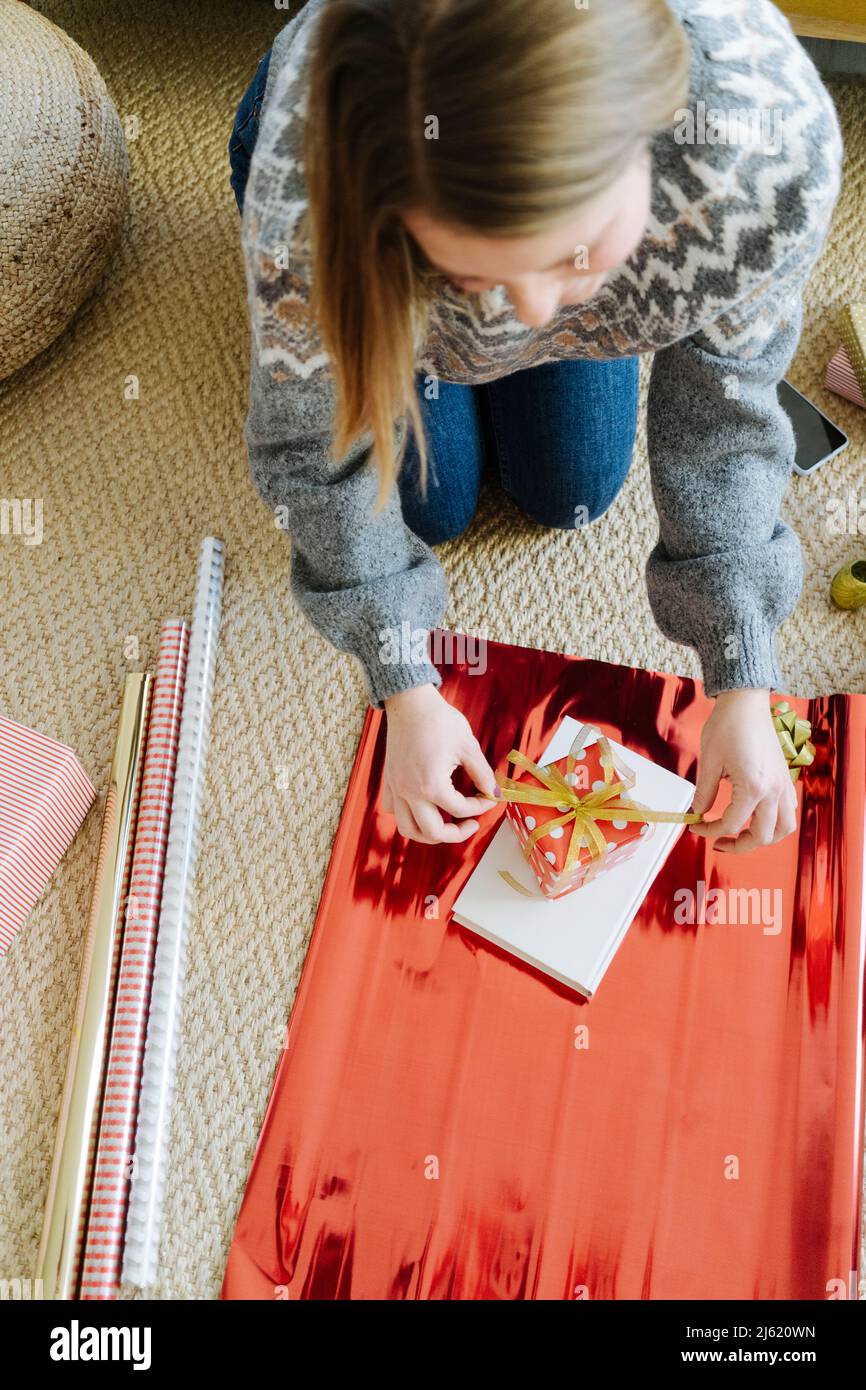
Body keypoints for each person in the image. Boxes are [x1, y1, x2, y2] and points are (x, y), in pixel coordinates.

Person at [229, 0, 841, 853]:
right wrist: (402, 678)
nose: (529, 312)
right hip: (384, 262)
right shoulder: (313, 186)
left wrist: (742, 672)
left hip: (607, 240)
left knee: (571, 490)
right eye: (471, 269)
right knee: (432, 512)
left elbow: (729, 413)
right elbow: (311, 445)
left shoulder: (770, 157)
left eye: (568, 253)